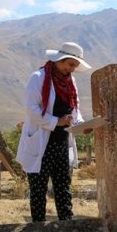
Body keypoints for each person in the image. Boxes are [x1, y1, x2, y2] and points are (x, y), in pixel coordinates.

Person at [15, 41, 92, 222]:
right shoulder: (38, 78)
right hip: (42, 142)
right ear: (60, 60)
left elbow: (74, 110)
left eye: (75, 66)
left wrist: (82, 125)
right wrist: (56, 122)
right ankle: (38, 229)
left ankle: (67, 226)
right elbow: (31, 109)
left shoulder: (70, 82)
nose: (72, 69)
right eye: (70, 64)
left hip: (62, 142)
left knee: (63, 186)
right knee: (38, 189)